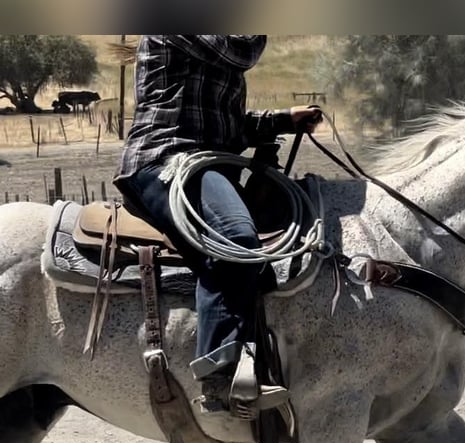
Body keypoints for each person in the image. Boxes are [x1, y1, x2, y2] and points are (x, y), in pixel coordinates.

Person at [113, 35, 321, 415]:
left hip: (211, 163)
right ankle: (219, 373)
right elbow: (242, 51)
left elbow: (225, 126)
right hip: (167, 159)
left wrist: (282, 121)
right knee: (235, 235)